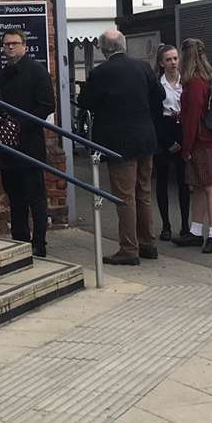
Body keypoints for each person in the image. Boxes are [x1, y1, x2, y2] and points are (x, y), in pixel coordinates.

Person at [77, 29, 163, 264]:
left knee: (124, 196)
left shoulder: (100, 72)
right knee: (143, 192)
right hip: (146, 137)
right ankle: (148, 243)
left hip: (118, 142)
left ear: (103, 49)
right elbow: (160, 96)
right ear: (123, 46)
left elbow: (85, 102)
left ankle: (129, 248)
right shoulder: (143, 67)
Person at [0, 28, 54, 257]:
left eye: (14, 43)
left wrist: (20, 124)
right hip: (7, 147)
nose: (10, 47)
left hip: (30, 144)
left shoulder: (37, 71)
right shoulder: (1, 73)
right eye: (6, 44)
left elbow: (47, 104)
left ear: (24, 46)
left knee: (35, 196)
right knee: (15, 196)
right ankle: (20, 240)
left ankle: (40, 243)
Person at [177, 37, 212, 253]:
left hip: (200, 142)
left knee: (209, 186)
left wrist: (185, 147)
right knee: (199, 186)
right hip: (208, 139)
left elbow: (192, 118)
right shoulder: (205, 79)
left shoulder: (194, 83)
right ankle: (196, 231)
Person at [152, 44, 189, 243]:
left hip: (182, 130)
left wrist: (182, 140)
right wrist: (167, 141)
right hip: (164, 132)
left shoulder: (186, 82)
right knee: (163, 181)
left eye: (175, 58)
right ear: (161, 63)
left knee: (184, 181)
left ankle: (185, 225)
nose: (173, 63)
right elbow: (155, 117)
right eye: (169, 59)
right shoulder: (158, 85)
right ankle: (166, 225)